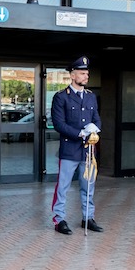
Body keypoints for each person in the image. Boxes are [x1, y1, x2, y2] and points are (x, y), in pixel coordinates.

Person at [50, 56, 103, 235]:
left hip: (88, 151)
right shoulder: (61, 97)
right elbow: (59, 124)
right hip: (69, 149)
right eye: (82, 73)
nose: (86, 76)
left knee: (88, 185)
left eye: (87, 73)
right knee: (63, 186)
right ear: (73, 75)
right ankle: (59, 219)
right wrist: (80, 133)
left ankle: (88, 217)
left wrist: (95, 129)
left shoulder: (90, 97)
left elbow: (96, 118)